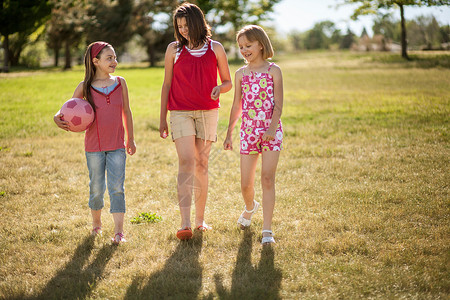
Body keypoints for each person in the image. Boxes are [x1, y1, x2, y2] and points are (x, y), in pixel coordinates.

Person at [160, 2, 232, 240]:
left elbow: (227, 82)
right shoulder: (174, 49)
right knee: (186, 162)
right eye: (179, 26)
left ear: (198, 23)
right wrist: (162, 118)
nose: (183, 30)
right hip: (180, 112)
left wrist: (219, 89)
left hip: (208, 112)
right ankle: (185, 223)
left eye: (186, 25)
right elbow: (167, 85)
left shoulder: (216, 48)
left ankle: (200, 221)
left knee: (202, 163)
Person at [54, 41, 136, 245]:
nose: (114, 62)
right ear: (95, 61)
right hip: (94, 148)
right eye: (109, 58)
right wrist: (57, 117)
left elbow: (126, 111)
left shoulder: (120, 82)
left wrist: (131, 138)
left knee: (117, 187)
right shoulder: (85, 87)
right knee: (97, 188)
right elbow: (68, 108)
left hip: (117, 145)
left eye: (115, 57)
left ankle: (119, 232)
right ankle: (97, 226)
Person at [223, 25, 283, 245]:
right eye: (241, 47)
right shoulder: (241, 74)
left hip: (271, 131)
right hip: (248, 132)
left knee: (267, 178)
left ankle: (267, 230)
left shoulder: (273, 70)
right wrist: (229, 133)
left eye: (248, 45)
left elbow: (278, 105)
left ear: (260, 44)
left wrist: (271, 128)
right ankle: (250, 208)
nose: (244, 50)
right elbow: (237, 104)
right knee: (245, 184)